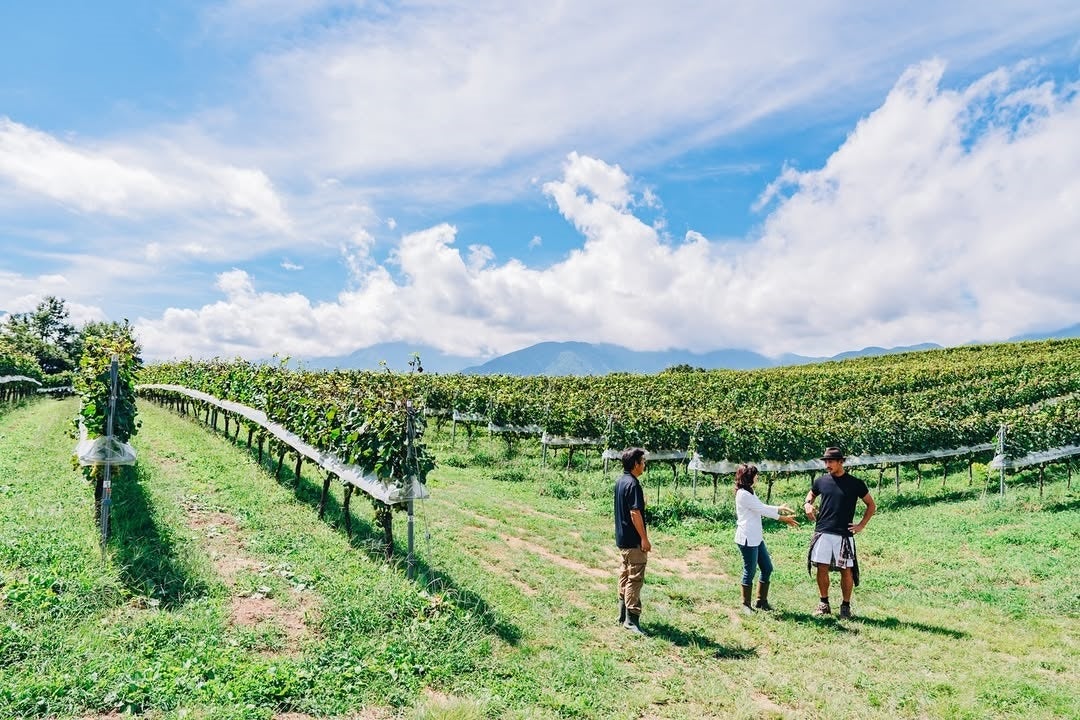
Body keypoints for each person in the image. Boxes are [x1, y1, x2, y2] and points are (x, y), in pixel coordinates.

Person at [804, 447, 876, 619]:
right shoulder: (821, 481)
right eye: (826, 461)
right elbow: (811, 494)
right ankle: (824, 604)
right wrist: (807, 503)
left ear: (841, 462)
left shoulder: (856, 483)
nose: (827, 465)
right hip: (823, 531)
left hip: (844, 534)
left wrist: (861, 525)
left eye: (831, 461)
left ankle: (845, 606)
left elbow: (871, 505)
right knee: (821, 568)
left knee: (846, 570)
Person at [733, 464, 798, 614]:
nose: (757, 477)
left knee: (767, 568)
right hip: (747, 538)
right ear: (749, 477)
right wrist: (783, 518)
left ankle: (761, 601)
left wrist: (778, 508)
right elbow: (761, 510)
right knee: (749, 570)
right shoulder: (743, 494)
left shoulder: (749, 491)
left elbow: (759, 506)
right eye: (756, 475)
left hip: (756, 537)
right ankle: (745, 605)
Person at [614, 447, 651, 635]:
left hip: (622, 539)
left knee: (625, 574)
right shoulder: (634, 484)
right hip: (633, 541)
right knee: (635, 579)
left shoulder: (621, 481)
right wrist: (644, 539)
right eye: (642, 461)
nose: (644, 464)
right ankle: (631, 620)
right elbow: (635, 513)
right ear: (635, 464)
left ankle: (621, 614)